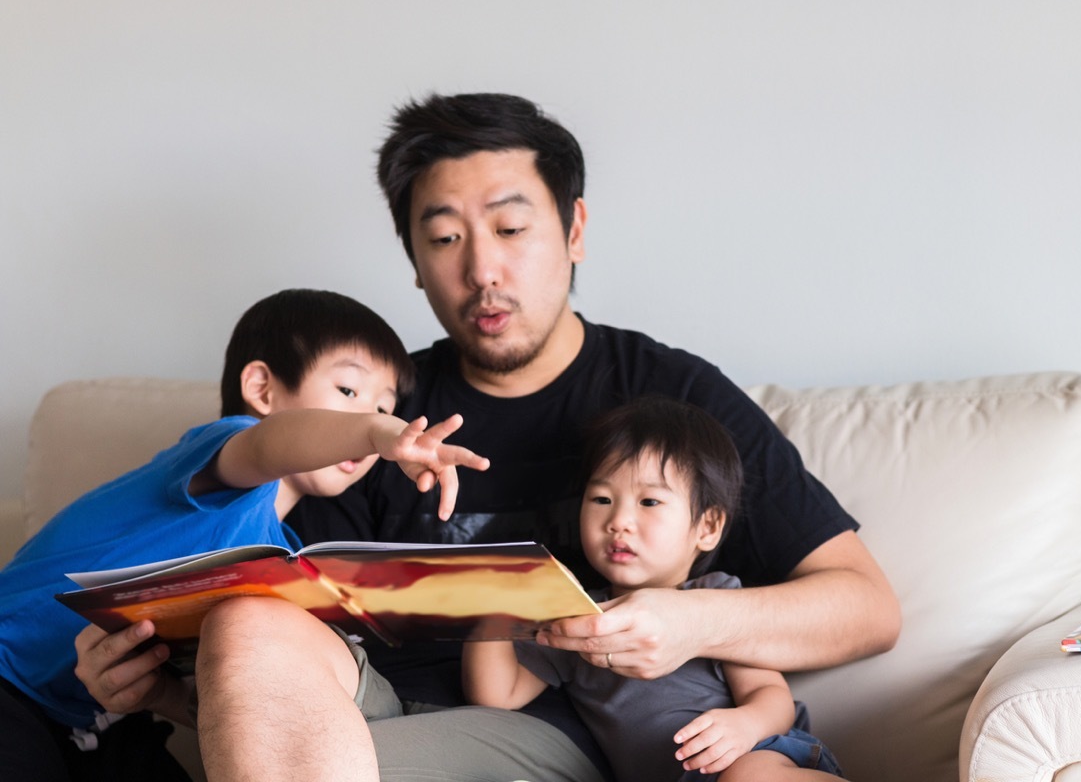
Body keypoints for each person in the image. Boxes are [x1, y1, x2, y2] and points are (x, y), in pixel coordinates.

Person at [77, 93, 901, 782]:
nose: (482, 271)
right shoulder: (374, 411)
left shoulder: (668, 396)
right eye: (444, 239)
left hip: (608, 735)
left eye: (510, 230)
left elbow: (866, 607)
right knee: (246, 620)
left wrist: (691, 625)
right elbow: (276, 671)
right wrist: (155, 687)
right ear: (413, 259)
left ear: (574, 231)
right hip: (397, 720)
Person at [2, 288, 488, 781]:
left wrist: (159, 695)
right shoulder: (223, 454)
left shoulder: (285, 556)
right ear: (261, 388)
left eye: (386, 406)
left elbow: (230, 698)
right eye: (348, 391)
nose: (377, 416)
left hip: (100, 724)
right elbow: (266, 444)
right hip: (9, 683)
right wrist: (379, 434)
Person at [463, 395, 844, 781]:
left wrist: (745, 725)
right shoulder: (577, 620)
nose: (619, 521)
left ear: (707, 527)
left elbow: (770, 695)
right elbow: (496, 696)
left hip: (754, 753)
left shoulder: (716, 598)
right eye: (601, 498)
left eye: (649, 501)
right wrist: (490, 608)